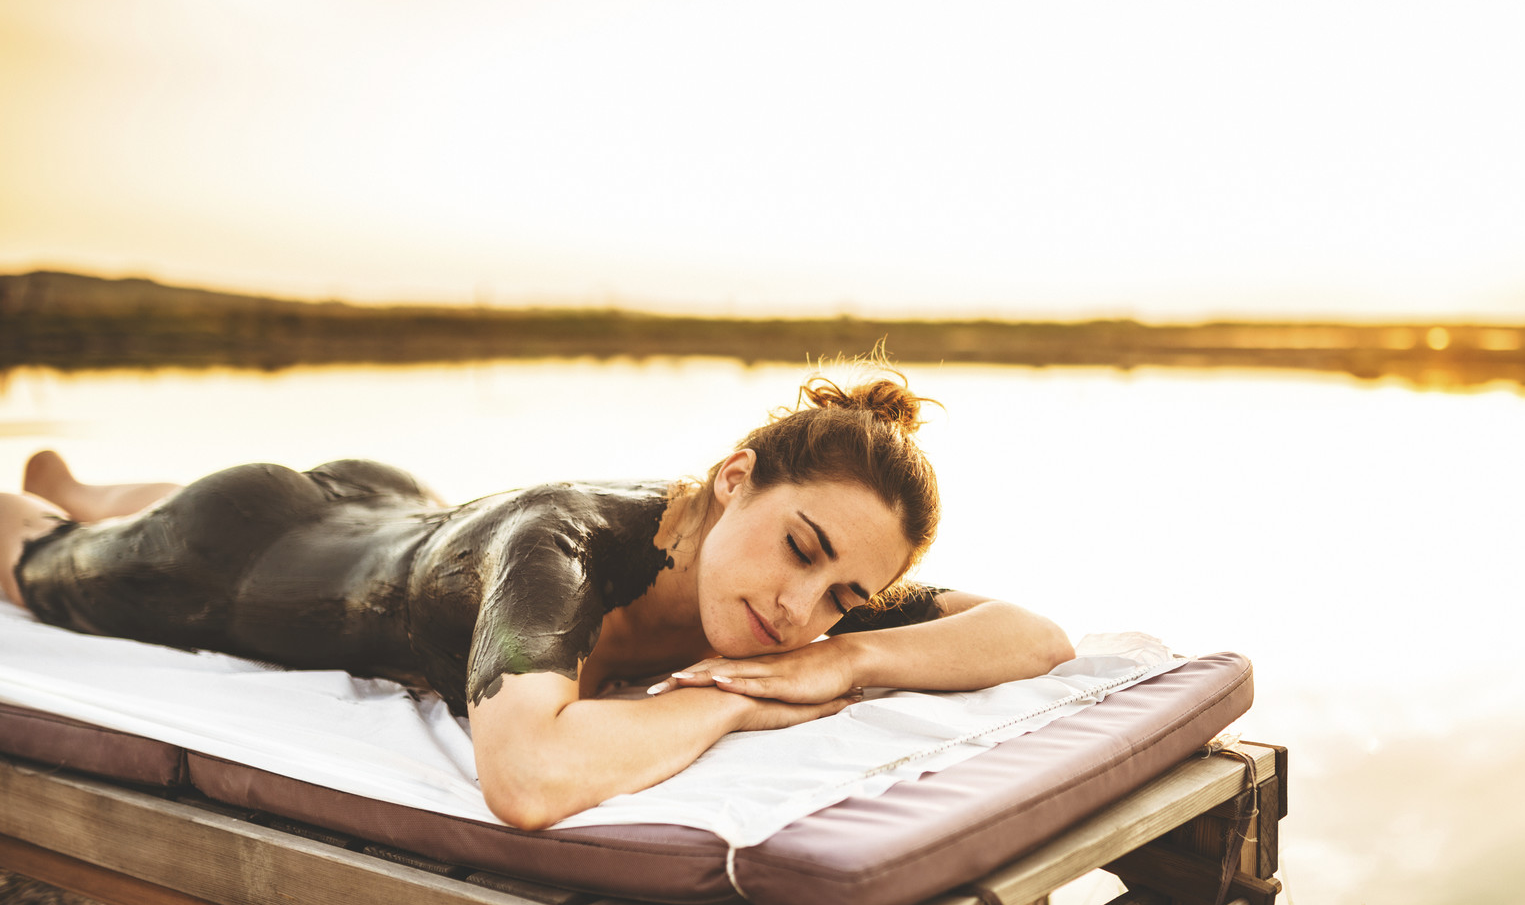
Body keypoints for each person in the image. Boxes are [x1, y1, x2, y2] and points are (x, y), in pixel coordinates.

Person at [0, 371, 1073, 830]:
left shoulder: (793, 603)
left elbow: (1031, 636)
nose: (802, 610)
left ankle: (77, 481)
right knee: (37, 563)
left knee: (101, 500)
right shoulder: (561, 545)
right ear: (736, 478)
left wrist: (845, 661)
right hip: (234, 554)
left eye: (847, 594)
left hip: (395, 505)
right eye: (801, 551)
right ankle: (46, 509)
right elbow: (526, 779)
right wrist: (736, 702)